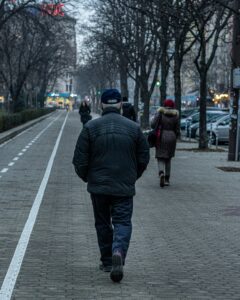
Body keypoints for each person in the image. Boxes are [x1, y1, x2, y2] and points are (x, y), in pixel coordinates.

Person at [72, 88, 150, 283]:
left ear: (101, 105)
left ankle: (107, 261)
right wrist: (133, 176)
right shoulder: (134, 128)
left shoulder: (90, 127)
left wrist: (89, 178)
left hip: (98, 187)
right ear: (121, 105)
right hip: (123, 186)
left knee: (103, 223)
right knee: (122, 222)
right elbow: (144, 157)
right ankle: (118, 251)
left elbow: (79, 160)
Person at [151, 99, 179, 188]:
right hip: (172, 136)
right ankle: (167, 179)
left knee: (160, 157)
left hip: (161, 136)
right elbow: (177, 129)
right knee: (168, 158)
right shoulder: (176, 115)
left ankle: (161, 173)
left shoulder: (160, 113)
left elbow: (153, 124)